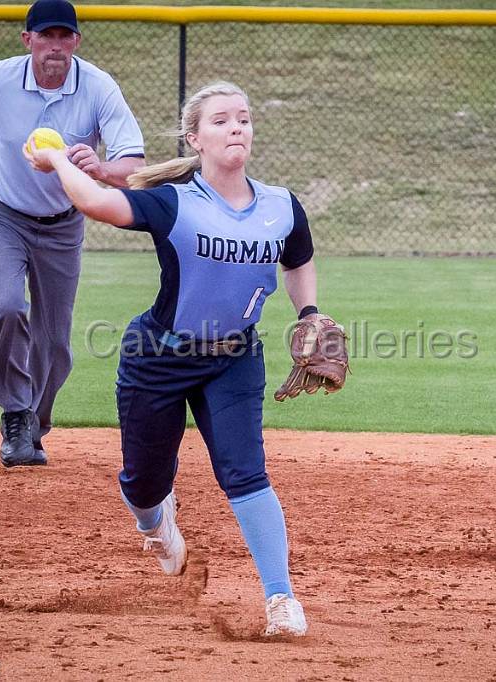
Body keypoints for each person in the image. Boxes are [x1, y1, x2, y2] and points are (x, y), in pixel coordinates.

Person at [26, 81, 320, 637]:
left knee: (246, 472)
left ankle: (281, 599)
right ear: (195, 137)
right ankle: (157, 524)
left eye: (244, 119)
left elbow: (299, 257)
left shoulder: (281, 205)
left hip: (234, 358)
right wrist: (59, 160)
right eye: (221, 120)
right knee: (143, 482)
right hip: (156, 358)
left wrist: (309, 313)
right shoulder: (174, 200)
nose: (237, 127)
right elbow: (93, 202)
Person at [0, 0, 146, 467]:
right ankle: (15, 414)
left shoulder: (98, 88)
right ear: (27, 40)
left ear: (77, 41)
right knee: (8, 306)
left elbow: (132, 166)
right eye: (45, 36)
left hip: (62, 224)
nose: (55, 46)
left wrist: (102, 167)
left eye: (64, 37)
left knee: (54, 343)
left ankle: (36, 421)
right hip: (0, 212)